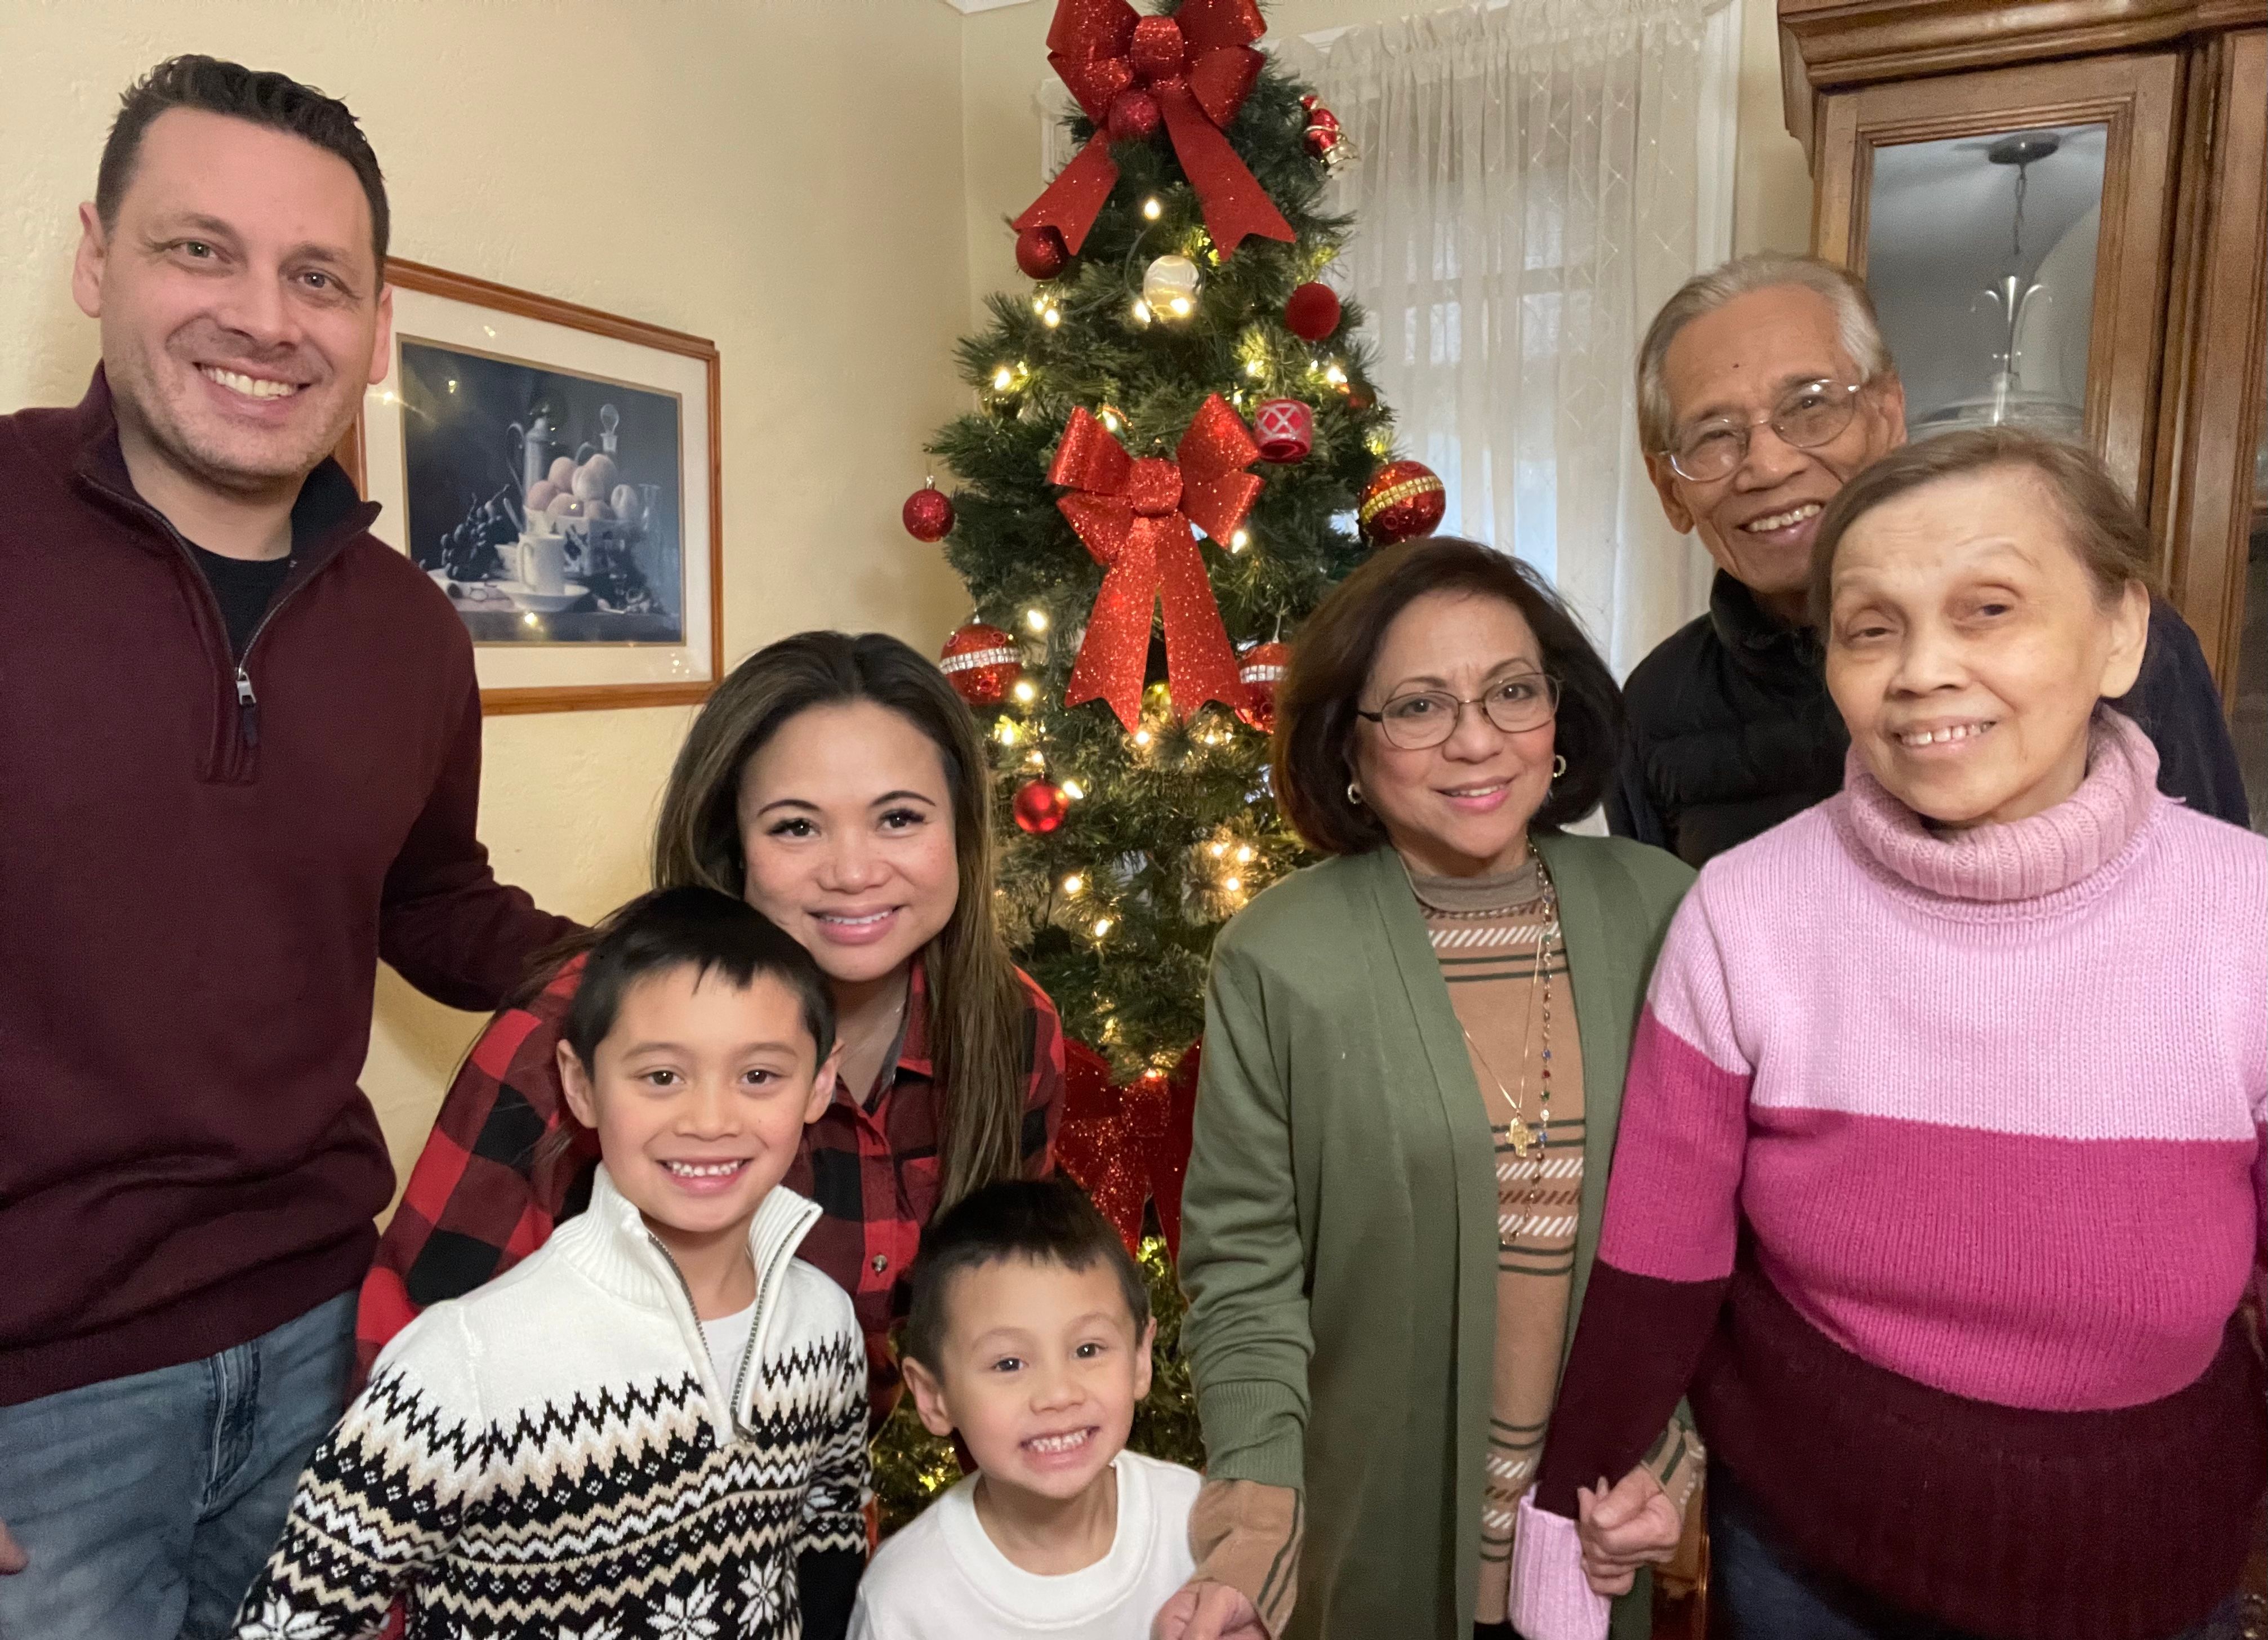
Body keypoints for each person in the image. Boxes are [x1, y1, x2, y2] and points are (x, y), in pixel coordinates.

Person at [1513, 430, 2266, 1640]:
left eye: (1988, 609)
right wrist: (1565, 1534)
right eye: (1870, 629)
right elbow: (1659, 1257)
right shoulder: (1745, 911)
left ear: (2121, 631)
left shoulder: (2247, 916)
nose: (1921, 670)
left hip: (2149, 1563)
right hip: (1808, 1562)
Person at [0, 56, 571, 1637]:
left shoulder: (410, 626)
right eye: (202, 250)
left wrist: (654, 968)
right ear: (96, 260)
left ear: (375, 325)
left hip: (334, 1338)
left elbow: (432, 899)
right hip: (36, 1407)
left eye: (318, 277)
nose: (265, 317)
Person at [1162, 538, 1704, 1640]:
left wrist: (1674, 1459)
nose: (1475, 738)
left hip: (1599, 1537)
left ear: (1559, 716)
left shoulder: (1666, 909)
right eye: (1417, 706)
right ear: (1348, 749)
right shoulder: (1279, 955)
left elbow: (1716, 1239)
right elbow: (1245, 1277)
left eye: (1512, 691)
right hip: (1374, 1537)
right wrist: (1250, 1537)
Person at [361, 630, 1066, 1427]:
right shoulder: (573, 1029)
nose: (853, 871)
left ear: (961, 830)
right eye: (795, 826)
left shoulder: (1009, 1029)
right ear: (732, 848)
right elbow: (410, 1369)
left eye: (899, 818)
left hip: (820, 1478)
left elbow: (995, 1327)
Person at [226, 887, 870, 1639]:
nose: (710, 1120)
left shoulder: (824, 1324)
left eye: (758, 1076)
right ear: (580, 1085)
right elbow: (294, 1622)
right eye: (661, 1076)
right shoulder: (465, 1363)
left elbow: (829, 1538)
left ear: (820, 1083)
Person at [1609, 252, 2249, 865]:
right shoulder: (1654, 708)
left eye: (1809, 405)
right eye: (1713, 436)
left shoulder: (2107, 639)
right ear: (1670, 489)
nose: (1769, 465)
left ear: (1888, 413)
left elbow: (2207, 894)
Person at [850, 1178, 1199, 1639]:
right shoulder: (905, 1599)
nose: (1058, 1394)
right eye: (1008, 1363)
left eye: (1088, 1350)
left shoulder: (1199, 1525)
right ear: (933, 1396)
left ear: (1139, 1358)